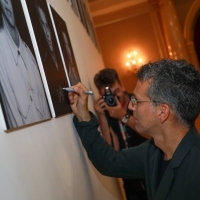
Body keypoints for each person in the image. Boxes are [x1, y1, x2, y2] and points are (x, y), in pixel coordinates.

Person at [68, 59, 200, 200]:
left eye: (136, 100)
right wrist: (83, 115)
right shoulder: (152, 151)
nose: (130, 106)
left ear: (163, 111)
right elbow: (110, 162)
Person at [93, 68, 149, 200]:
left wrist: (123, 116)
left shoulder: (138, 103)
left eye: (116, 91)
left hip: (151, 167)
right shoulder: (108, 113)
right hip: (130, 178)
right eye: (108, 95)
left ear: (122, 86)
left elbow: (151, 134)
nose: (114, 97)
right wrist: (102, 116)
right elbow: (111, 150)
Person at [0, 0, 51, 129]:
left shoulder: (29, 54)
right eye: (3, 2)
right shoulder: (2, 51)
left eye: (9, 1)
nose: (7, 7)